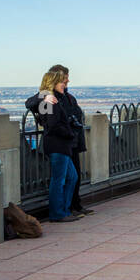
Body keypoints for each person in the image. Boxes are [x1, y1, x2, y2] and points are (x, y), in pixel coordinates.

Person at [26, 66, 84, 223]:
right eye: (61, 82)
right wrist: (69, 132)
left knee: (72, 177)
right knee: (59, 180)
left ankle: (64, 210)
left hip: (63, 145)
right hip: (57, 145)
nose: (64, 84)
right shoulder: (48, 100)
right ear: (53, 82)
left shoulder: (57, 98)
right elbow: (52, 125)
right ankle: (57, 213)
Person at [52, 64, 93, 215]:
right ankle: (62, 210)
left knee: (74, 177)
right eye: (65, 78)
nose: (68, 81)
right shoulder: (49, 97)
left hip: (72, 142)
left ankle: (74, 205)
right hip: (61, 144)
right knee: (63, 179)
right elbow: (49, 121)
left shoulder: (68, 98)